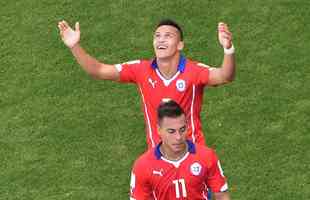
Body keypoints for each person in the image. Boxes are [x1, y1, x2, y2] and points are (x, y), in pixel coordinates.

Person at [58, 19, 235, 149]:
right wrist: (75, 46)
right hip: (158, 161)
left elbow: (225, 76)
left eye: (168, 36)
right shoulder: (141, 70)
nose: (161, 40)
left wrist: (228, 49)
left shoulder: (194, 71)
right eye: (157, 36)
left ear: (180, 44)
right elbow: (98, 70)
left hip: (193, 156)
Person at [130, 99, 231, 200]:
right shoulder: (143, 166)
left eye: (182, 130)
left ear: (187, 127)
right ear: (159, 130)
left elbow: (222, 195)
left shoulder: (206, 156)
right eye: (171, 131)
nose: (178, 137)